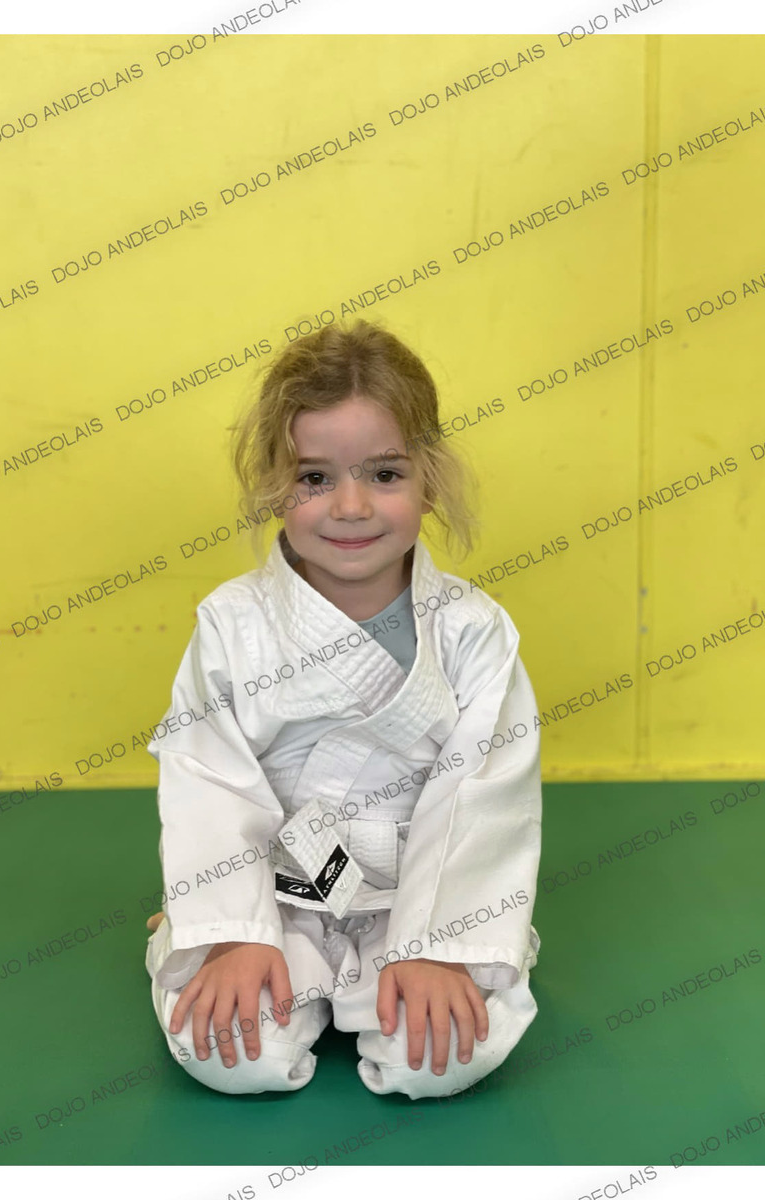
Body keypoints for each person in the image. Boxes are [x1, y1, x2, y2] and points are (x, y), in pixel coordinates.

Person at [144, 318, 543, 1099]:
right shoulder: (233, 623)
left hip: (416, 896)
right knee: (233, 1055)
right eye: (315, 478)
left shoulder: (471, 631)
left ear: (430, 479)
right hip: (274, 893)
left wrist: (439, 943)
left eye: (385, 474)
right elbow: (209, 780)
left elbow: (482, 791)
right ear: (273, 484)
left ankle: (462, 946)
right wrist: (231, 932)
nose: (351, 506)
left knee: (441, 1059)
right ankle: (188, 931)